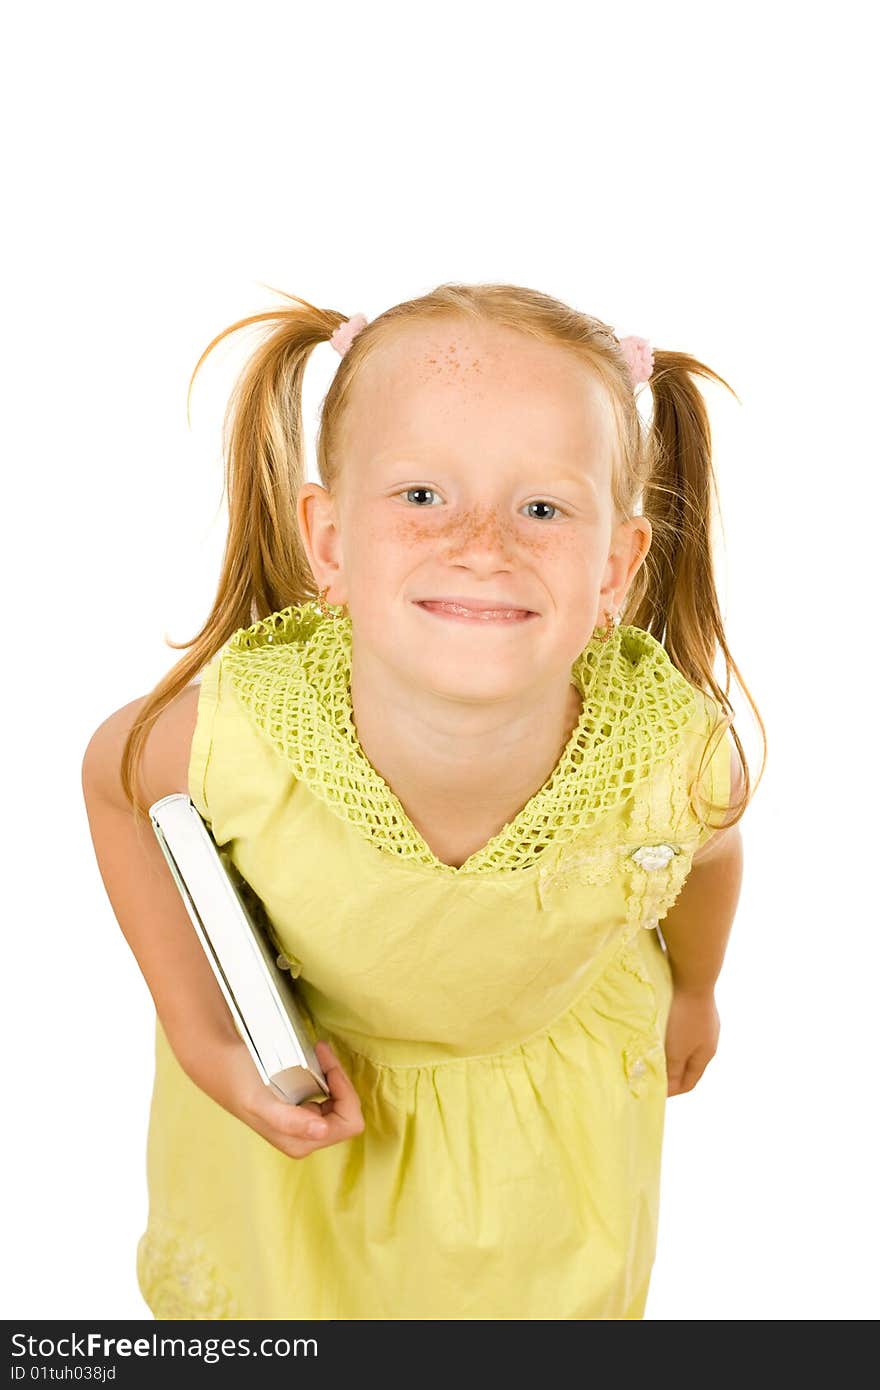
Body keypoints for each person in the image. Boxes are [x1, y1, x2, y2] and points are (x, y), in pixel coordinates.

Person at [81, 282, 764, 1320]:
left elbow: (709, 855)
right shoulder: (248, 735)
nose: (482, 543)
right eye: (420, 498)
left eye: (542, 507)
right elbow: (115, 785)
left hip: (541, 1159)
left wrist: (696, 987)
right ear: (330, 539)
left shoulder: (667, 757)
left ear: (615, 566)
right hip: (308, 1144)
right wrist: (203, 1033)